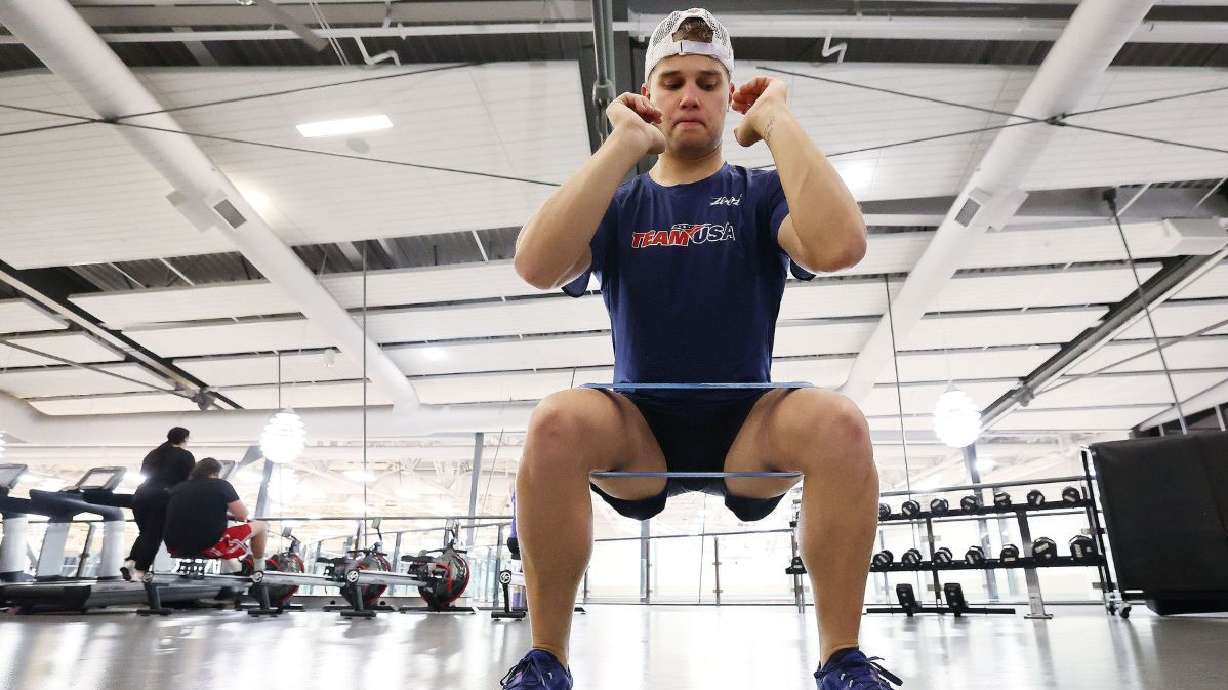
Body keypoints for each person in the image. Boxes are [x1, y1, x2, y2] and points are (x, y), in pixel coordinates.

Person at [504, 8, 899, 690]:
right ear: (648, 97)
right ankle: (547, 660)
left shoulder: (758, 193)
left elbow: (841, 247)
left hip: (749, 433)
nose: (690, 95)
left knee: (841, 423)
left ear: (729, 97)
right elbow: (535, 266)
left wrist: (775, 119)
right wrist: (623, 146)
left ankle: (842, 661)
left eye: (710, 82)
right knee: (555, 421)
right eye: (673, 80)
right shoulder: (621, 203)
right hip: (639, 437)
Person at [163, 457, 268, 571]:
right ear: (217, 472)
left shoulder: (178, 488)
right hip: (209, 545)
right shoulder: (221, 485)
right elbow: (242, 515)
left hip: (175, 546)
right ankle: (259, 570)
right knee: (261, 526)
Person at [122, 426, 195, 581]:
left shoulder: (154, 453)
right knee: (154, 536)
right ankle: (140, 572)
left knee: (145, 533)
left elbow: (144, 474)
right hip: (162, 498)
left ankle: (131, 562)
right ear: (185, 439)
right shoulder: (185, 455)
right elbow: (189, 479)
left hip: (141, 496)